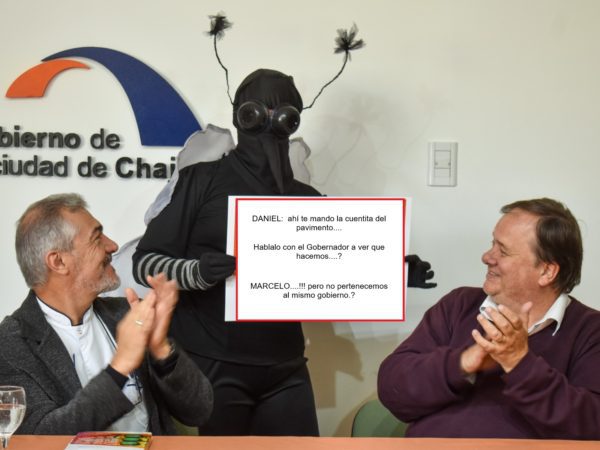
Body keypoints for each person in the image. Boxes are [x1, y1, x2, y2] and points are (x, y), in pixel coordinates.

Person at [377, 198, 600, 440]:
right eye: (492, 243)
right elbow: (392, 389)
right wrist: (462, 363)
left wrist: (519, 363)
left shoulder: (590, 331)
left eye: (502, 251)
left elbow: (591, 426)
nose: (486, 257)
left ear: (546, 271)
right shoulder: (458, 305)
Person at [0, 193, 213, 435]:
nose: (112, 245)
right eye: (96, 238)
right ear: (58, 261)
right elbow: (42, 438)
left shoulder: (128, 313)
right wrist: (120, 367)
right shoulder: (10, 345)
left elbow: (199, 411)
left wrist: (160, 349)